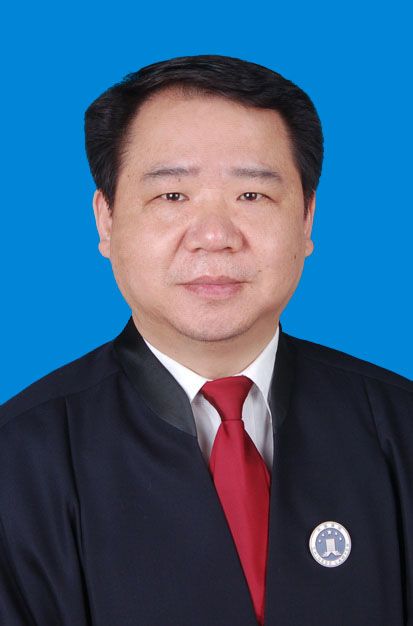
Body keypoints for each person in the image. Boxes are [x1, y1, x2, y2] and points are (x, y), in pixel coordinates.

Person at [0, 54, 411, 626]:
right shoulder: (17, 462)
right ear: (106, 220)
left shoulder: (399, 426)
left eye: (252, 195)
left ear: (307, 219)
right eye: (173, 196)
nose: (215, 236)